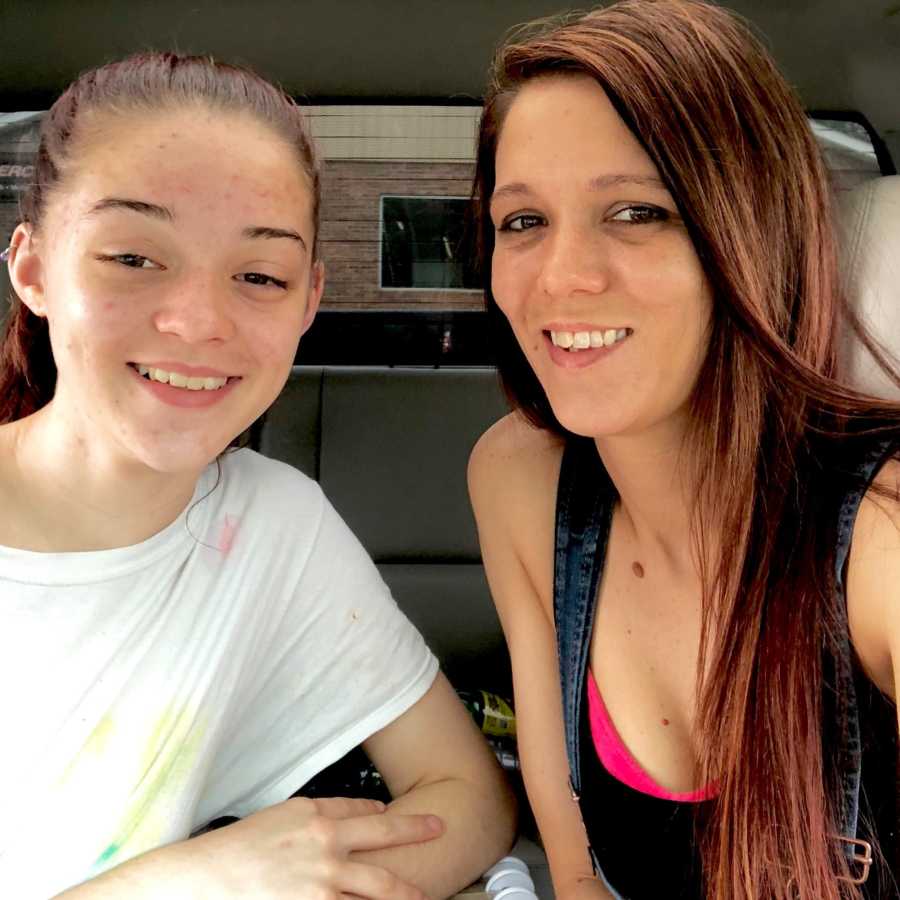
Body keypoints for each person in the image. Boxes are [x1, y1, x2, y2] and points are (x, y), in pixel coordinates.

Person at [0, 52, 515, 900]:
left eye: (258, 276)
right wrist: (195, 882)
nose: (199, 321)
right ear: (32, 269)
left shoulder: (272, 526)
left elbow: (469, 804)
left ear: (308, 300)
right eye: (132, 257)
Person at [466, 1, 900, 898]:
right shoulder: (516, 480)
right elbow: (582, 879)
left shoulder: (883, 539)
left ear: (748, 234)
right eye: (522, 222)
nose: (562, 277)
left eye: (636, 211)